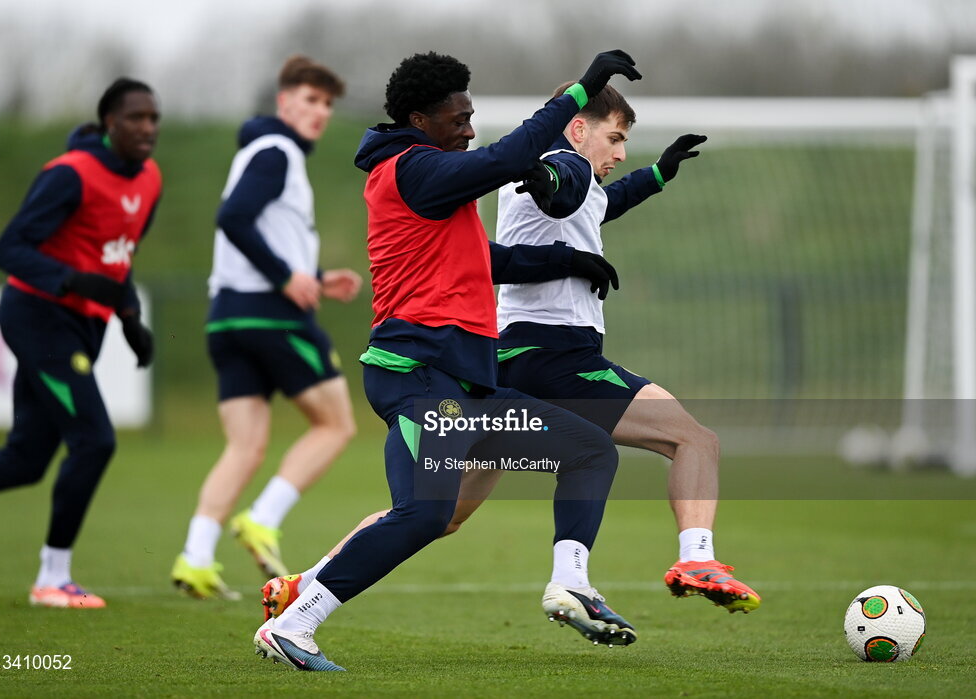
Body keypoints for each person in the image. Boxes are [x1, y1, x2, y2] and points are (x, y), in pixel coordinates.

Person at [264, 82, 760, 648]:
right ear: (577, 126)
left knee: (438, 512)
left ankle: (304, 585)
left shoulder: (567, 173)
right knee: (693, 441)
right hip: (552, 355)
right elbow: (561, 187)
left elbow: (593, 205)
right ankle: (690, 561)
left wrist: (656, 176)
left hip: (492, 364)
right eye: (616, 138)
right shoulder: (555, 163)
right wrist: (559, 169)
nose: (621, 152)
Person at [252, 49, 641, 672]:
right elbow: (510, 159)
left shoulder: (430, 178)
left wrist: (570, 261)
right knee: (424, 514)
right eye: (457, 119)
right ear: (418, 119)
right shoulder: (413, 170)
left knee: (589, 450)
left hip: (465, 389)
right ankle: (295, 622)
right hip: (417, 380)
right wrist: (580, 91)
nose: (468, 129)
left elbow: (487, 261)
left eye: (471, 116)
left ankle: (573, 584)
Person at [0, 78, 161, 608]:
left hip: (81, 326)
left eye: (153, 118)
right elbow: (9, 248)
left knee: (24, 459)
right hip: (39, 318)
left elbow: (121, 254)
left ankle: (52, 576)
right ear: (108, 122)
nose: (147, 128)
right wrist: (70, 280)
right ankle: (53, 578)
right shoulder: (70, 175)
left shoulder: (151, 179)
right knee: (95, 440)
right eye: (135, 118)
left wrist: (129, 316)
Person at [171, 55, 362, 600]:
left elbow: (260, 234)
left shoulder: (261, 151)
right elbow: (233, 217)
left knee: (245, 446)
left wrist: (316, 278)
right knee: (336, 425)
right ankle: (262, 519)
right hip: (270, 316)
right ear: (283, 102)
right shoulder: (277, 152)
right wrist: (286, 279)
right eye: (309, 99)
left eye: (326, 103)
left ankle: (196, 556)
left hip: (227, 317)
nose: (320, 111)